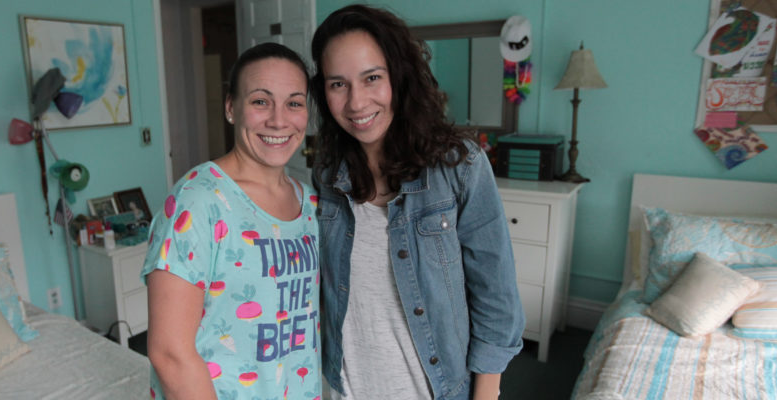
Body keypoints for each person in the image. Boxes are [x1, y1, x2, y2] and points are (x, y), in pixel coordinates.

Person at [309, 5, 525, 400]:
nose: (356, 102)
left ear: (399, 75)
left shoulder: (460, 165)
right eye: (338, 84)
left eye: (372, 78)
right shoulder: (327, 175)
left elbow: (498, 301)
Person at [141, 42, 321, 399]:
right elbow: (170, 354)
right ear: (230, 108)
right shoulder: (199, 202)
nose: (279, 120)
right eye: (260, 101)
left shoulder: (312, 204)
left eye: (294, 103)